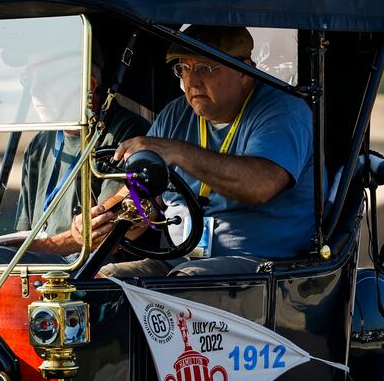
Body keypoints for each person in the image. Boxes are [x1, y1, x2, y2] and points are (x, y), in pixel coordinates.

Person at [86, 25, 315, 278]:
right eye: (184, 68)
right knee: (99, 281)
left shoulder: (283, 111)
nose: (191, 81)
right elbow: (144, 196)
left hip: (262, 266)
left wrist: (179, 153)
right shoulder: (176, 114)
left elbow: (260, 186)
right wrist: (105, 218)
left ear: (245, 71)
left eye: (204, 68)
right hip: (178, 261)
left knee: (185, 283)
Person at [0, 47, 147, 265]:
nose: (35, 90)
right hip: (41, 262)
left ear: (88, 85)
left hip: (85, 269)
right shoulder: (40, 144)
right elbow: (25, 234)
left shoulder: (127, 135)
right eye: (29, 79)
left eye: (46, 80)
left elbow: (103, 234)